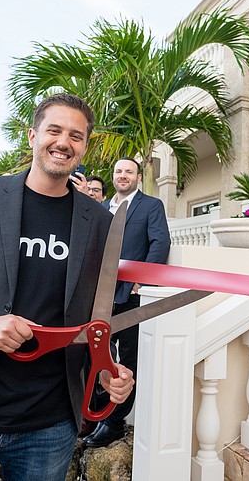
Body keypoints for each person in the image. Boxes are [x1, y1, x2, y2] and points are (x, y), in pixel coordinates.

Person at [0, 93, 134, 481]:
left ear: (83, 147)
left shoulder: (100, 222)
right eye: (54, 130)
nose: (64, 142)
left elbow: (97, 314)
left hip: (48, 425)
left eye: (76, 136)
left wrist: (106, 366)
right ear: (32, 136)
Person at [84, 157, 170, 448]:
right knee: (95, 354)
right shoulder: (100, 209)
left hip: (131, 297)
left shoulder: (150, 206)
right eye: (119, 171)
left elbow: (160, 243)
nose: (123, 176)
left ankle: (115, 421)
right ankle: (94, 414)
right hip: (98, 297)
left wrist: (143, 282)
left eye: (129, 172)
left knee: (129, 360)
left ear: (137, 177)